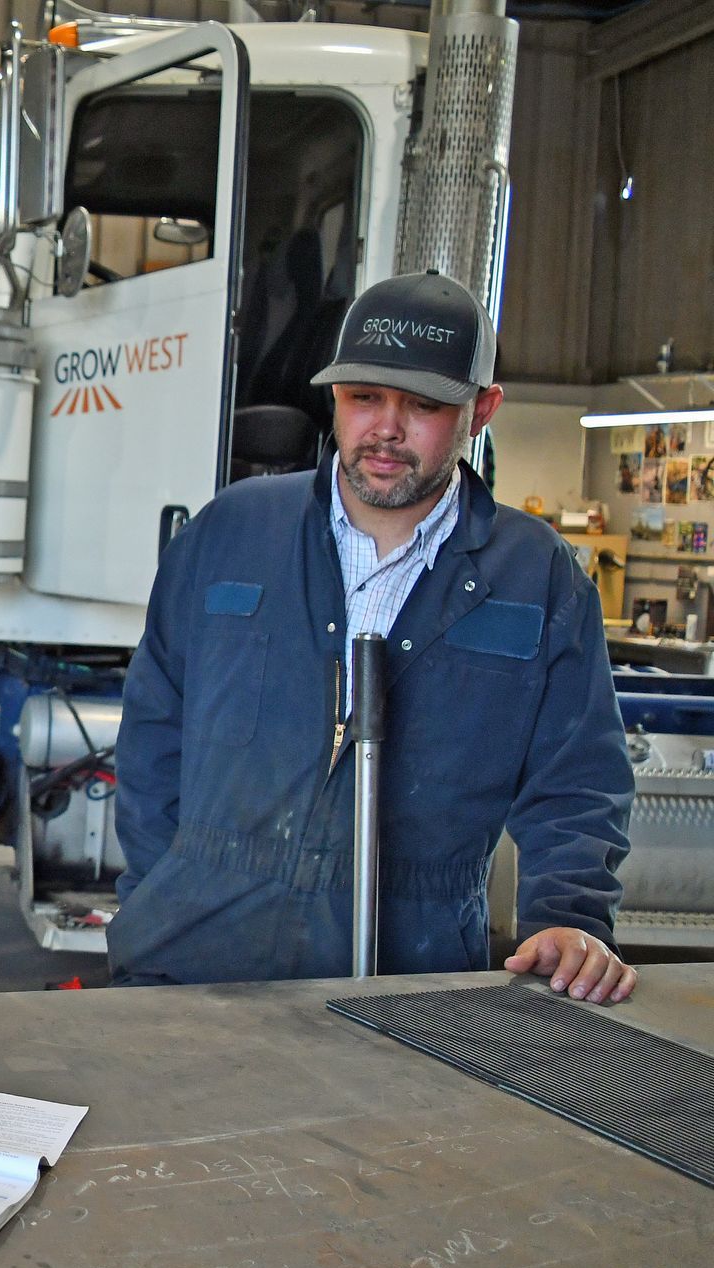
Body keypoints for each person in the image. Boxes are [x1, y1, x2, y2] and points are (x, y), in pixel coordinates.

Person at [111, 270, 638, 1003]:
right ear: (334, 397)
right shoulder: (231, 532)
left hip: (415, 974)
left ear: (481, 409)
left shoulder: (537, 576)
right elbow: (152, 731)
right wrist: (160, 888)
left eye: (423, 405)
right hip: (195, 957)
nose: (386, 429)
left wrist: (569, 917)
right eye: (364, 398)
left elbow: (578, 777)